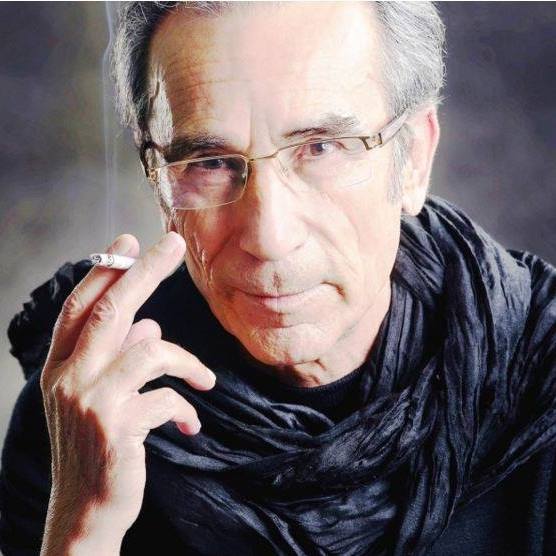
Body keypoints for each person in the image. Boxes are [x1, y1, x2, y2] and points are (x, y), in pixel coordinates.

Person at [1, 2, 555, 555]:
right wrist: (83, 528)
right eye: (209, 161)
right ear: (159, 185)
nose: (269, 237)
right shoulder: (88, 406)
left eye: (321, 148)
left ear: (413, 160)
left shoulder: (543, 374)